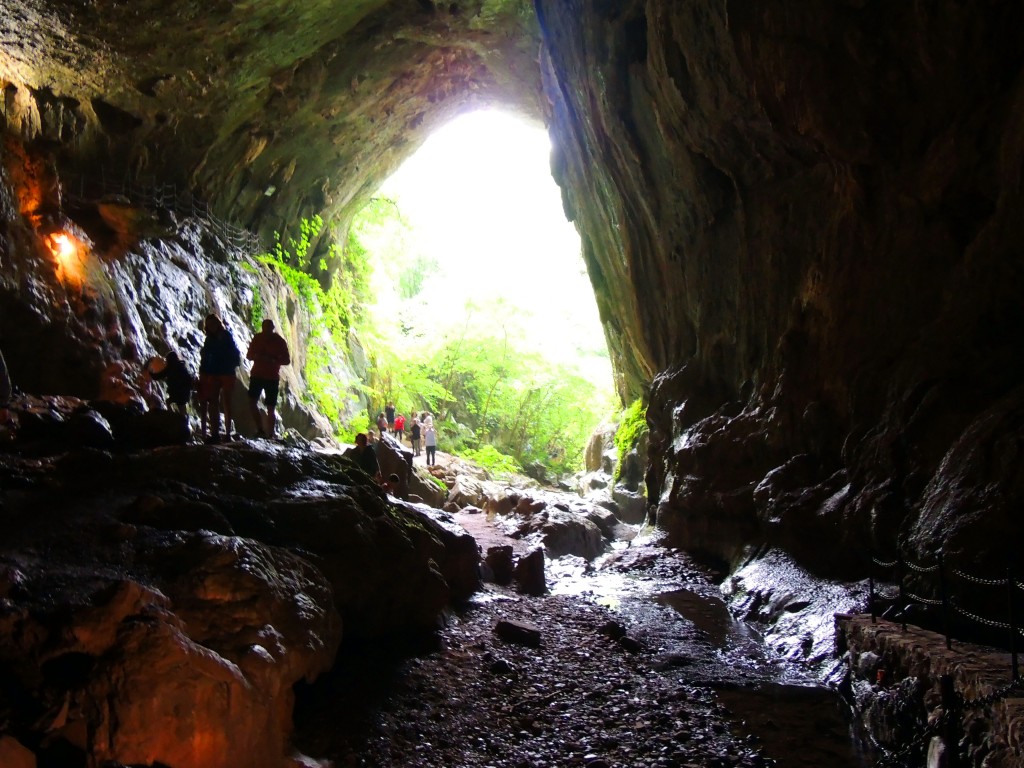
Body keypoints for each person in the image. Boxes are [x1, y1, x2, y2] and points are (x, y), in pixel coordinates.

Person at [197, 314, 241, 443]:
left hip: (225, 372)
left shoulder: (226, 336)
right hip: (214, 373)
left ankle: (227, 433)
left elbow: (232, 353)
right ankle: (215, 432)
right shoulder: (209, 339)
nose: (212, 327)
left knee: (226, 402)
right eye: (209, 325)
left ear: (218, 323)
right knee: (213, 402)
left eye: (213, 324)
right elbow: (205, 356)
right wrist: (203, 371)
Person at [246, 318, 290, 438]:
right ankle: (260, 430)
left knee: (271, 407)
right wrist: (257, 356)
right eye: (265, 328)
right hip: (257, 374)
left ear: (272, 329)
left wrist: (273, 360)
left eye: (269, 329)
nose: (266, 331)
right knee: (252, 402)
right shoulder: (257, 338)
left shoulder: (279, 341)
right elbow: (249, 355)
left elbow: (287, 360)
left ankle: (270, 434)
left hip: (271, 377)